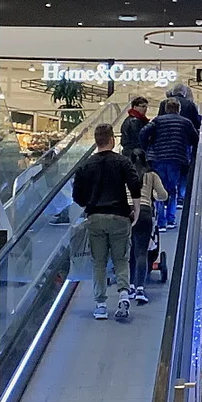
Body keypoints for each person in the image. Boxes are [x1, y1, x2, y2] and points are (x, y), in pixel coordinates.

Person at [72, 123, 141, 320]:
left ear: (96, 141)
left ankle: (101, 305)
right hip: (120, 216)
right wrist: (135, 209)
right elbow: (135, 184)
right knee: (121, 259)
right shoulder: (122, 162)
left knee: (99, 262)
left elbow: (77, 194)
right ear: (112, 139)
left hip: (96, 218)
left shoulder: (86, 165)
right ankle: (123, 295)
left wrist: (90, 204)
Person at [140, 98, 198, 232]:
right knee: (172, 190)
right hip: (176, 159)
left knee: (159, 191)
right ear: (179, 109)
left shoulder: (157, 120)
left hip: (158, 159)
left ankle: (161, 223)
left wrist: (147, 148)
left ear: (166, 108)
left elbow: (143, 132)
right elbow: (195, 139)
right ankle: (171, 219)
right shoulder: (185, 122)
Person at [126, 150, 166, 304]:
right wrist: (152, 197)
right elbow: (164, 195)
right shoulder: (151, 175)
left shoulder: (125, 174)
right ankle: (140, 289)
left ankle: (128, 286)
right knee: (141, 252)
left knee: (128, 251)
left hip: (127, 212)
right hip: (144, 212)